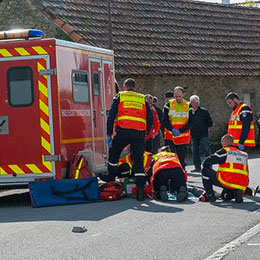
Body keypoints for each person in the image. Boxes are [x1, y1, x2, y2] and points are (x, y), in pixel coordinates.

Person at [106, 78, 153, 201]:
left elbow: (111, 116)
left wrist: (109, 134)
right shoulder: (142, 98)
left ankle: (111, 184)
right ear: (135, 88)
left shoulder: (120, 96)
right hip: (139, 133)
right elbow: (150, 118)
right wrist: (146, 132)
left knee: (114, 155)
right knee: (138, 161)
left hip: (124, 131)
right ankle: (140, 191)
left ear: (124, 87)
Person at [200, 134, 249, 203]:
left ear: (224, 142)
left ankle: (210, 195)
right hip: (242, 184)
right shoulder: (243, 154)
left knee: (204, 170)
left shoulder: (225, 152)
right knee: (224, 196)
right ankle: (236, 192)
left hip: (228, 180)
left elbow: (206, 162)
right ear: (232, 142)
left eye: (222, 142)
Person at [179, 95, 213, 172]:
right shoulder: (189, 112)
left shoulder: (204, 112)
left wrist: (208, 128)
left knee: (207, 150)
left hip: (203, 134)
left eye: (194, 102)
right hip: (194, 135)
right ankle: (197, 167)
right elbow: (187, 123)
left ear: (198, 103)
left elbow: (210, 122)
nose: (192, 104)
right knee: (195, 151)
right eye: (191, 102)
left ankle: (209, 166)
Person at [163, 86, 190, 169]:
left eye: (180, 96)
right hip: (170, 137)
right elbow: (164, 121)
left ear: (183, 95)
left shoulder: (188, 105)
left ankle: (182, 177)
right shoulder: (168, 105)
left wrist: (180, 130)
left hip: (182, 138)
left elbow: (191, 122)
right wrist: (172, 129)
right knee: (169, 159)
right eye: (176, 96)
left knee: (181, 161)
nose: (178, 98)